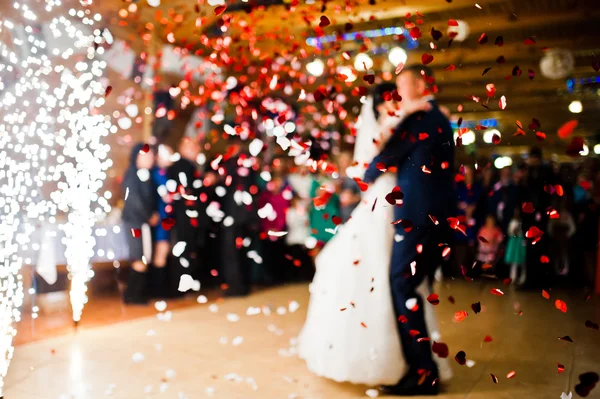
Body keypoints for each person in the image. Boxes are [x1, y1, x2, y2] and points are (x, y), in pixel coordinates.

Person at [298, 77, 452, 390]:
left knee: (397, 281)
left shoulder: (420, 118)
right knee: (390, 280)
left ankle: (420, 368)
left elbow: (381, 161)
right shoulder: (413, 118)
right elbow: (377, 161)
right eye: (391, 97)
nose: (395, 102)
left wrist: (372, 171)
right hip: (392, 205)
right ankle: (416, 365)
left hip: (402, 209)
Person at [121, 143, 158, 304]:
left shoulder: (145, 175)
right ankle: (133, 295)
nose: (151, 159)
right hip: (135, 222)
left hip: (141, 221)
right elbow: (134, 200)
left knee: (143, 255)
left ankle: (137, 294)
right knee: (138, 256)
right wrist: (148, 215)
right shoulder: (132, 175)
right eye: (146, 155)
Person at [257, 173, 292, 284]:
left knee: (281, 254)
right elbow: (262, 214)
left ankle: (282, 277)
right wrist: (268, 229)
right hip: (267, 231)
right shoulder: (265, 197)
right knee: (269, 255)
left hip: (281, 231)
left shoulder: (284, 197)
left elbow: (284, 214)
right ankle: (271, 278)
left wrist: (278, 229)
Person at [149, 144, 173, 298]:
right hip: (161, 219)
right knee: (160, 253)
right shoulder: (157, 174)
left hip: (166, 218)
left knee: (163, 252)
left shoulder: (165, 173)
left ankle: (160, 289)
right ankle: (158, 291)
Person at [285, 193, 314, 281]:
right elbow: (291, 224)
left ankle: (306, 276)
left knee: (305, 258)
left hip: (304, 238)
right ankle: (296, 277)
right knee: (296, 258)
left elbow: (307, 223)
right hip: (294, 239)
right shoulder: (290, 211)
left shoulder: (304, 212)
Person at [547, 200, 576, 277]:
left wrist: (566, 235)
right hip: (556, 239)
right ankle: (556, 272)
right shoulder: (554, 214)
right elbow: (549, 227)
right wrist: (553, 235)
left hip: (564, 239)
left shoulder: (567, 215)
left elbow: (572, 228)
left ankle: (565, 272)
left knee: (564, 254)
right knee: (556, 254)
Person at [336, 151, 361, 223]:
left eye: (345, 161)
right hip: (338, 217)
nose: (343, 164)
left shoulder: (355, 177)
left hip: (353, 216)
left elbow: (362, 196)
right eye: (341, 161)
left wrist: (352, 199)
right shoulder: (336, 177)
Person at [505, 208, 527, 284]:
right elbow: (510, 231)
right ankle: (513, 278)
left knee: (522, 260)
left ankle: (522, 278)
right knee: (513, 261)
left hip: (521, 242)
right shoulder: (512, 221)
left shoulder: (523, 221)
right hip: (514, 242)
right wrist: (514, 233)